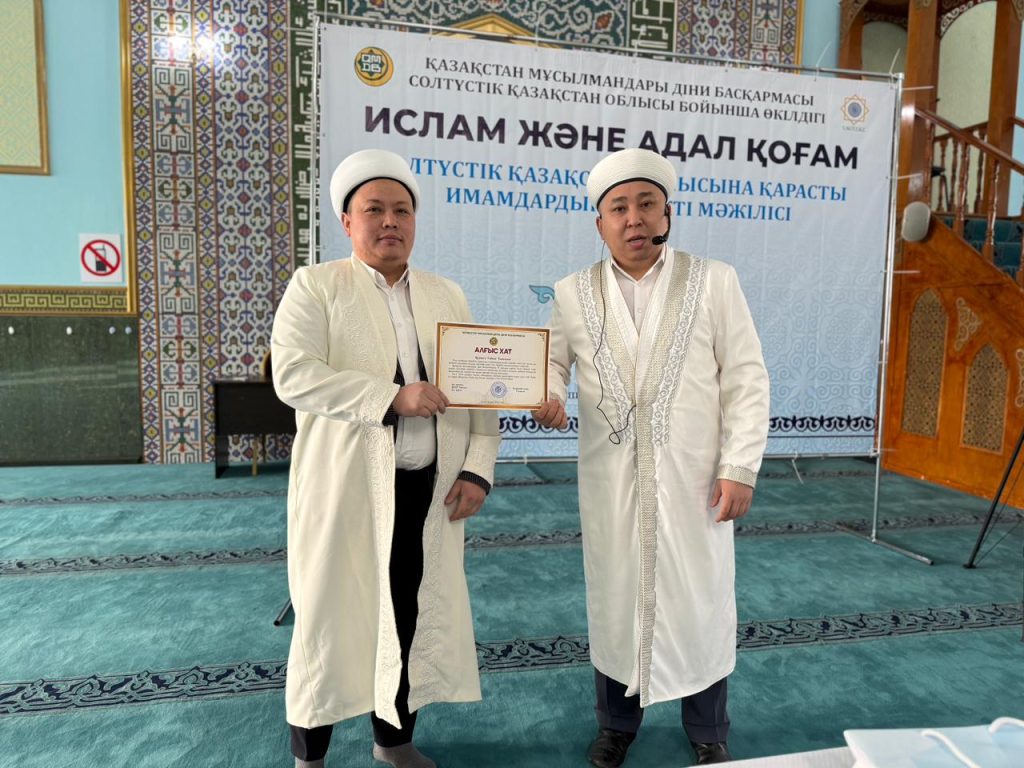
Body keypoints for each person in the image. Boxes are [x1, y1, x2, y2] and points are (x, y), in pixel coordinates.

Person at [532, 148, 770, 766]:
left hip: (694, 477)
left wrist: (739, 466)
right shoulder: (572, 293)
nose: (633, 218)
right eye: (618, 208)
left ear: (667, 214)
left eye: (645, 204)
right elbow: (551, 362)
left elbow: (746, 377)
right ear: (600, 223)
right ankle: (617, 725)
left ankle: (708, 731)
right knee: (616, 597)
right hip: (610, 479)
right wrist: (547, 395)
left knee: (700, 598)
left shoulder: (714, 280)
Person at [271, 149, 501, 768]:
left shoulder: (445, 293)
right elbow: (294, 375)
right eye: (374, 209)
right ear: (347, 221)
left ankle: (393, 742)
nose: (390, 221)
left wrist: (478, 468)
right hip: (344, 492)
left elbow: (478, 389)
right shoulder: (316, 286)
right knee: (328, 621)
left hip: (428, 491)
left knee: (408, 614)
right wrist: (390, 397)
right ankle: (310, 756)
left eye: (402, 210)